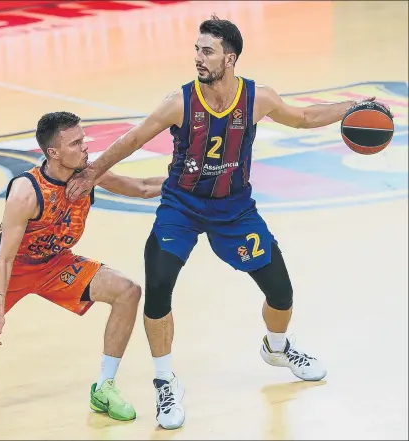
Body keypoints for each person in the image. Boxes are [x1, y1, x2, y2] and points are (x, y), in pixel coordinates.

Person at [65, 16, 392, 430]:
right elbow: (133, 140)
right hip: (181, 208)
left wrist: (354, 107)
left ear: (230, 58)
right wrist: (92, 174)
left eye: (207, 51)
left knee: (281, 291)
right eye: (196, 50)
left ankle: (277, 348)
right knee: (159, 288)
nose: (198, 58)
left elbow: (306, 118)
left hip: (235, 210)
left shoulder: (258, 98)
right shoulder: (179, 102)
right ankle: (165, 381)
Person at [0, 111, 165, 422]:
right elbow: (5, 258)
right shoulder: (26, 192)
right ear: (53, 152)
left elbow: (144, 187)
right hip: (14, 267)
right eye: (76, 143)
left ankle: (104, 388)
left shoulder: (89, 175)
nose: (86, 147)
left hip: (56, 264)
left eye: (84, 140)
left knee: (128, 292)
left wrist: (193, 180)